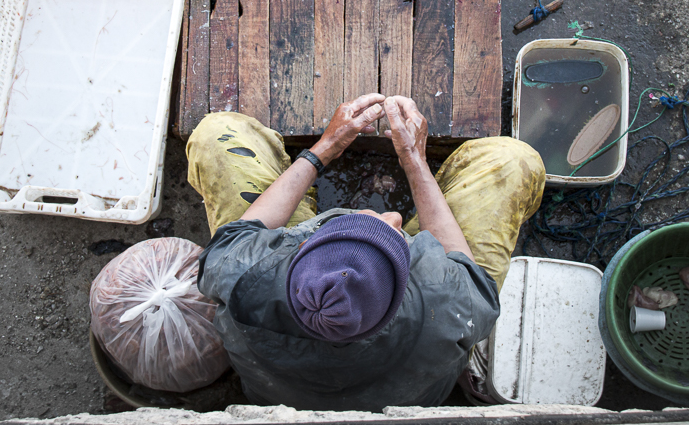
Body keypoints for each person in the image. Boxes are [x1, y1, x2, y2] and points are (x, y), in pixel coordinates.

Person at [188, 94, 545, 411]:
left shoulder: (244, 272)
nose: (392, 215)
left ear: (301, 246)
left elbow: (240, 231)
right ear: (405, 287)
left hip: (277, 395)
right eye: (395, 230)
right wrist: (413, 160)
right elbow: (464, 269)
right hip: (407, 392)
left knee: (215, 133)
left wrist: (325, 148)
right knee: (513, 161)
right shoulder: (447, 302)